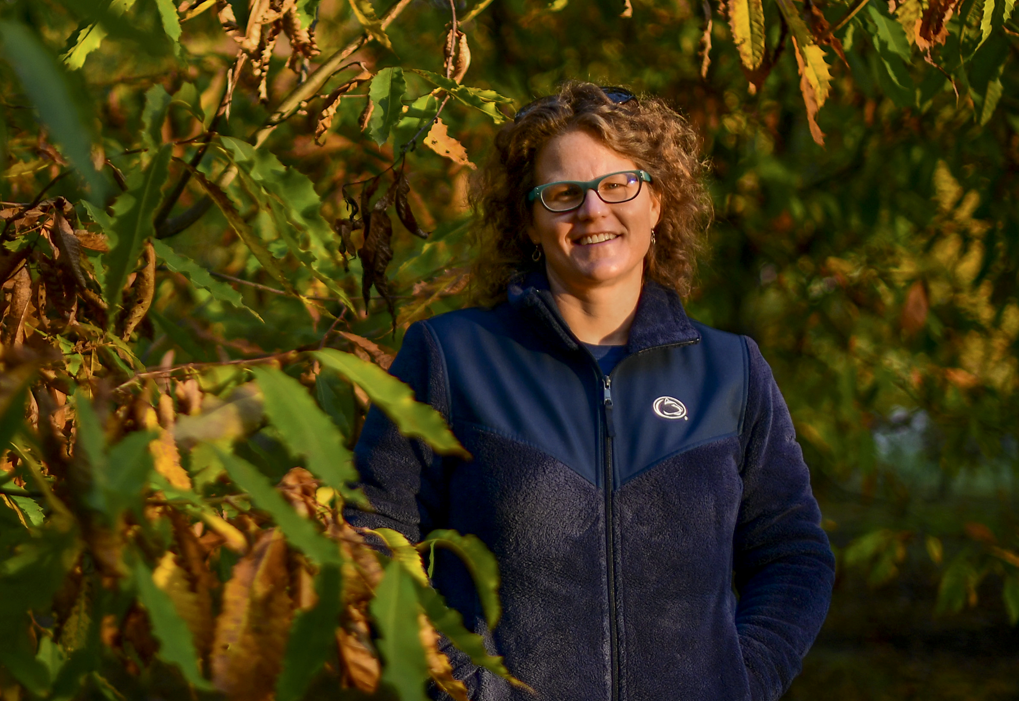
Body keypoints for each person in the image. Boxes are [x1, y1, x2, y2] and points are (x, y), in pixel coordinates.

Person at [347, 81, 835, 701]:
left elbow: (792, 554)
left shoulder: (730, 370)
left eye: (618, 185)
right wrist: (462, 687)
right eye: (562, 194)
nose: (593, 211)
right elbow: (372, 541)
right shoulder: (450, 357)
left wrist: (743, 679)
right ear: (528, 220)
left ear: (657, 203)